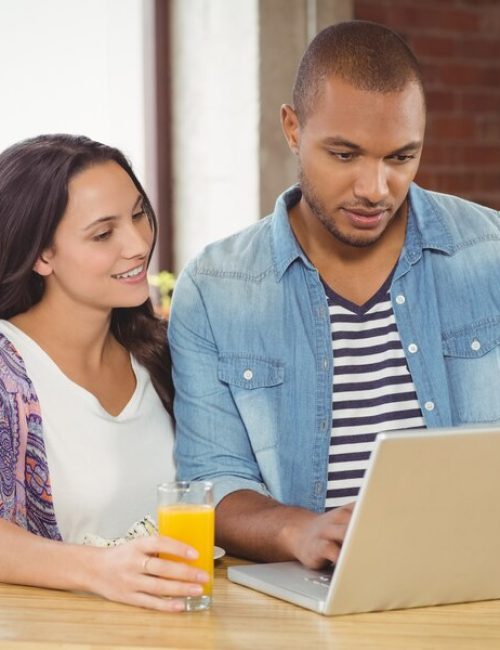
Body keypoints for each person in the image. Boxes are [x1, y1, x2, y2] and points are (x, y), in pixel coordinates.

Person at [168, 21, 500, 569]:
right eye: (345, 155)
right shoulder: (214, 291)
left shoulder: (489, 256)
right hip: (308, 602)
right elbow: (211, 482)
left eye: (400, 157)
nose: (375, 189)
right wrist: (300, 532)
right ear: (293, 128)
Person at [0, 134, 209, 611]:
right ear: (41, 255)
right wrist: (98, 570)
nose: (138, 245)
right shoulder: (9, 367)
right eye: (103, 233)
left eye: (138, 214)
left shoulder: (162, 351)